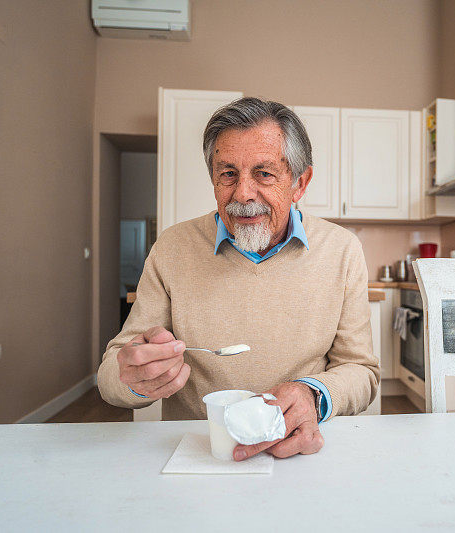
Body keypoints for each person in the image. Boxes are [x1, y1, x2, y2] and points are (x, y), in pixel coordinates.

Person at [98, 97, 379, 461]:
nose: (243, 194)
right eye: (228, 174)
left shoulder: (342, 250)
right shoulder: (172, 248)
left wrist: (313, 395)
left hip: (298, 450)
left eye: (264, 173)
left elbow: (361, 371)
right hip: (204, 453)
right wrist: (135, 379)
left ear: (300, 182)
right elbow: (111, 374)